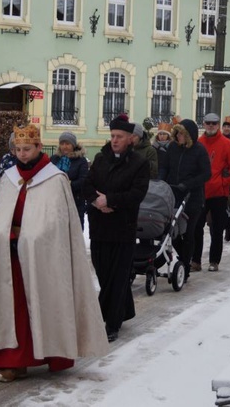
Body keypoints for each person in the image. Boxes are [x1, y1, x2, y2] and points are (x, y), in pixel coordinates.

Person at [0, 125, 108, 383]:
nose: (22, 154)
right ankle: (13, 362)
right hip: (9, 255)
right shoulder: (9, 179)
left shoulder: (55, 179)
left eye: (27, 149)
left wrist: (32, 238)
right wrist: (6, 236)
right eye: (18, 149)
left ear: (38, 147)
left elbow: (56, 224)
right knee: (13, 308)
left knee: (43, 302)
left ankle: (49, 353)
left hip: (42, 257)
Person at [84, 115, 150, 343]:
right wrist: (96, 202)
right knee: (104, 272)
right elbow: (88, 183)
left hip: (123, 227)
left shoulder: (140, 163)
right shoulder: (101, 159)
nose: (114, 140)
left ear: (130, 139)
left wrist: (111, 200)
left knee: (118, 276)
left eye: (119, 137)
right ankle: (125, 309)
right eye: (112, 136)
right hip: (100, 226)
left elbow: (137, 193)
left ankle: (111, 323)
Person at [158, 119, 211, 280]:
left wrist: (188, 184)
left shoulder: (199, 150)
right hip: (173, 194)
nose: (179, 136)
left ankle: (186, 265)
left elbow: (206, 173)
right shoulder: (173, 148)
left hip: (192, 197)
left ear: (188, 135)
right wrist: (161, 181)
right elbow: (165, 167)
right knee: (171, 230)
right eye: (178, 133)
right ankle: (183, 258)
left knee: (188, 233)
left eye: (182, 133)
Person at [191, 113, 230, 273]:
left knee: (217, 229)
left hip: (219, 193)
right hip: (201, 192)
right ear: (204, 124)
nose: (211, 126)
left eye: (214, 123)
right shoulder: (198, 143)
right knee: (196, 227)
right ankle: (195, 261)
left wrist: (224, 182)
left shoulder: (227, 144)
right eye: (208, 123)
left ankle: (214, 260)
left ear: (218, 125)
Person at [50, 132, 89, 229]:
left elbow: (83, 181)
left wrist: (67, 184)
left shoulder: (81, 160)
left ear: (73, 145)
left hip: (75, 201)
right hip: (55, 202)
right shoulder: (54, 159)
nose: (64, 147)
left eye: (67, 144)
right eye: (62, 144)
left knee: (74, 231)